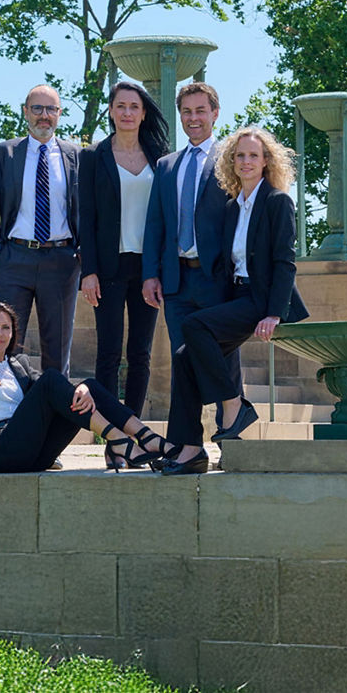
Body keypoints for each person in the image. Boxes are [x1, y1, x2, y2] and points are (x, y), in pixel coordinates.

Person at [160, 127, 309, 475]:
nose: (246, 162)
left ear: (266, 161)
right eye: (240, 156)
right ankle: (189, 450)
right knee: (184, 358)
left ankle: (232, 405)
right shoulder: (232, 207)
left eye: (253, 155)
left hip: (263, 300)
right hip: (237, 296)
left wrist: (273, 313)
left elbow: (284, 262)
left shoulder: (277, 202)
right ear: (232, 161)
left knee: (193, 324)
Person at [0, 302, 177, 473]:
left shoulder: (19, 363)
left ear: (13, 333)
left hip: (35, 453)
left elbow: (58, 394)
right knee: (51, 380)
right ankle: (119, 440)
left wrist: (81, 389)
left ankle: (146, 437)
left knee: (89, 387)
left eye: (5, 328)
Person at [141, 81, 242, 443]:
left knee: (222, 356)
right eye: (187, 112)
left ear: (215, 113)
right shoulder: (167, 166)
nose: (194, 118)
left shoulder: (231, 161)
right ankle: (186, 442)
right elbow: (156, 224)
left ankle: (231, 430)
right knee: (183, 361)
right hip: (176, 281)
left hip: (217, 279)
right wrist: (150, 275)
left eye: (201, 111)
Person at [77, 81, 170, 432]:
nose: (127, 113)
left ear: (143, 112)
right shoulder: (92, 157)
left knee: (141, 354)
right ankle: (111, 433)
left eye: (134, 106)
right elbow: (87, 217)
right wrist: (89, 271)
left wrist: (160, 269)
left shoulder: (160, 155)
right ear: (111, 111)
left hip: (148, 268)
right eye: (121, 106)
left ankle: (135, 430)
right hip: (109, 268)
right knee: (108, 354)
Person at [0, 84, 81, 375]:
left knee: (57, 350)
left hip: (62, 261)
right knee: (5, 345)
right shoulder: (5, 153)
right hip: (14, 259)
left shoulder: (76, 156)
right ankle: (7, 415)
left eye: (51, 109)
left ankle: (53, 419)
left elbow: (85, 212)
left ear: (59, 114)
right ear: (26, 111)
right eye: (37, 108)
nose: (44, 116)